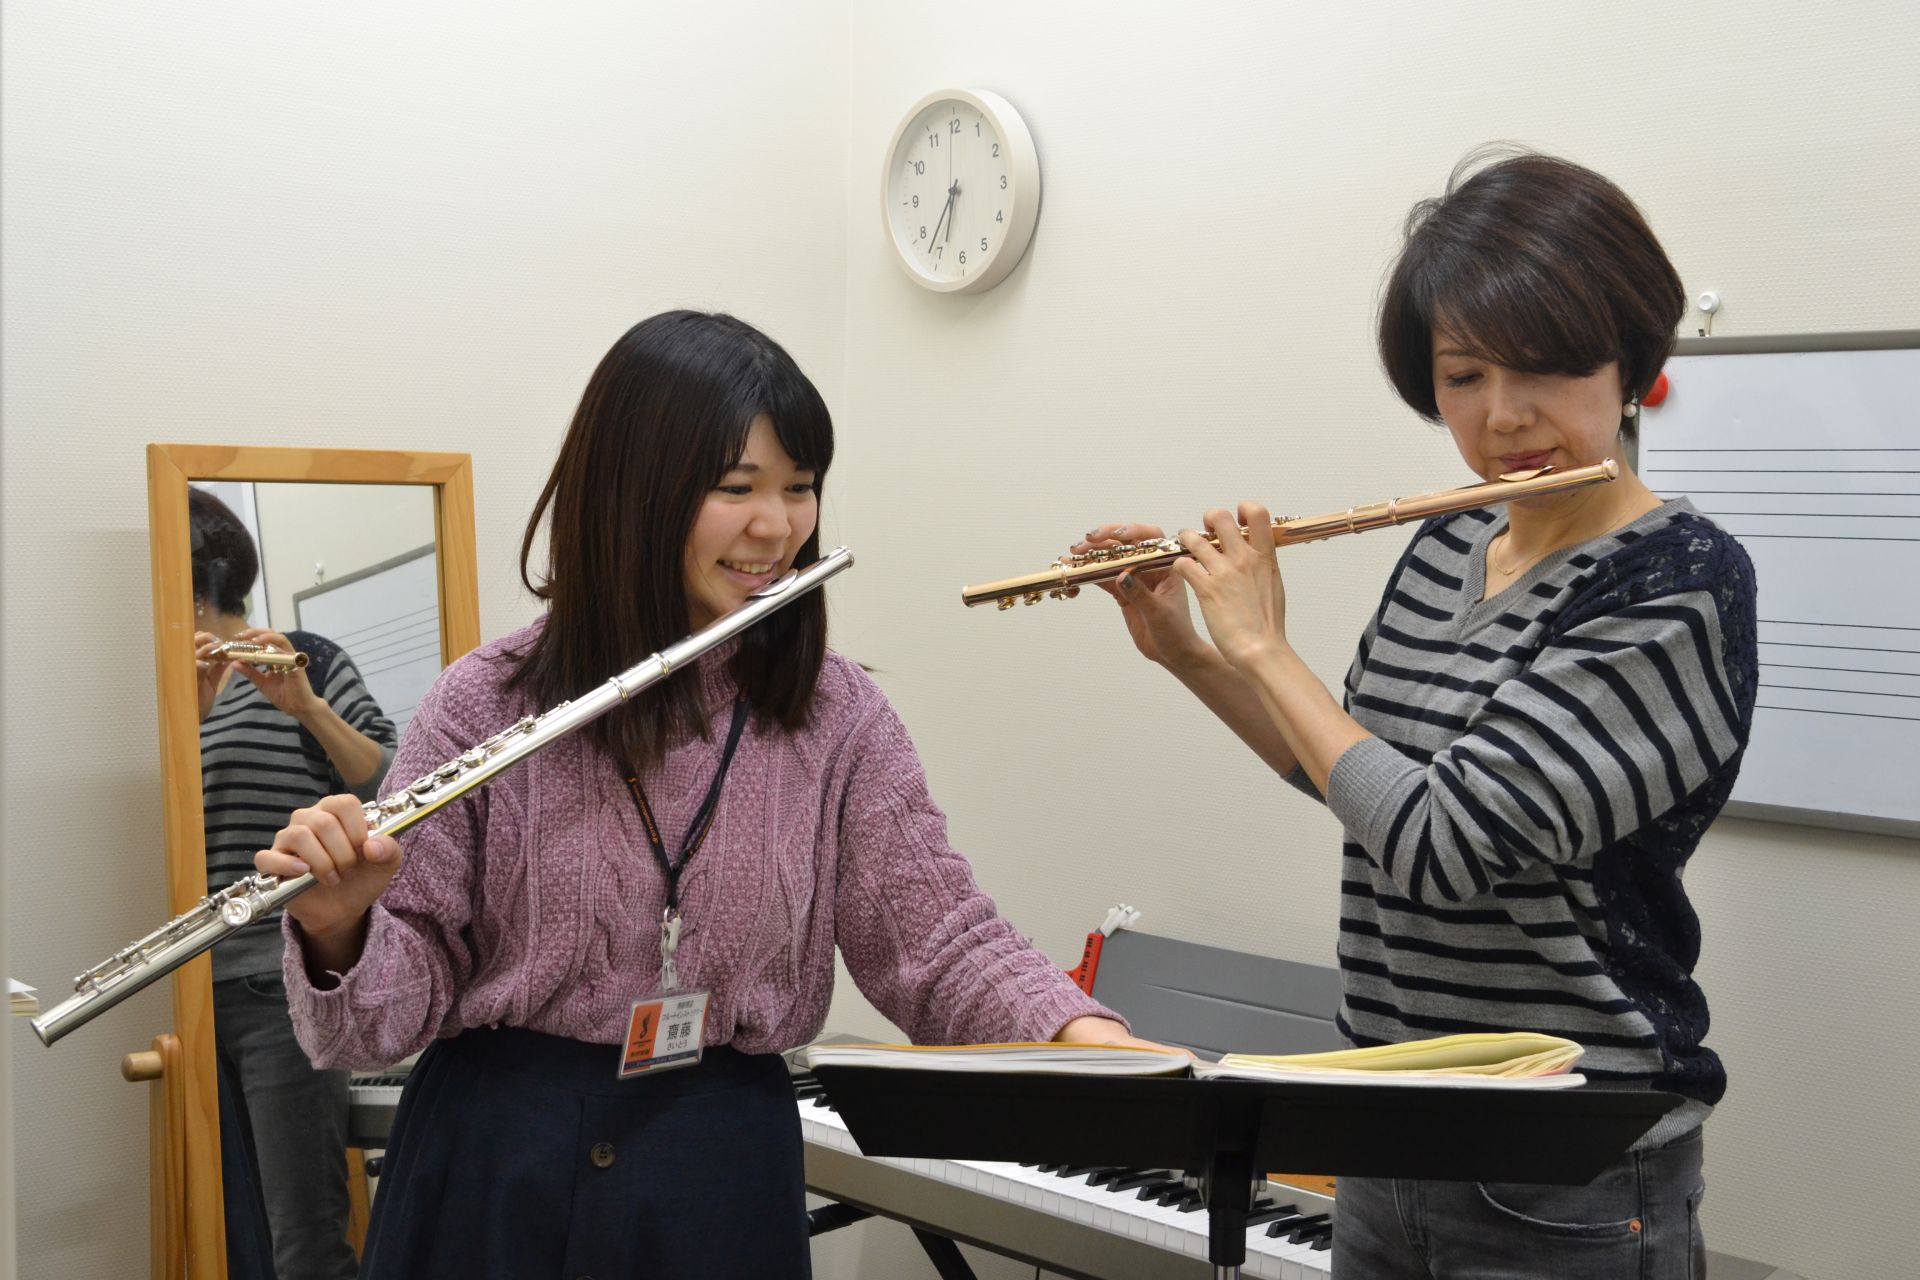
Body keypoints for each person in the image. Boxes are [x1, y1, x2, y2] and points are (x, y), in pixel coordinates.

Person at [256, 310, 1142, 1279]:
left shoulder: (840, 715)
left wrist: (1083, 1037)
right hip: (497, 1168)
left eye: (800, 487)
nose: (779, 526)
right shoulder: (484, 703)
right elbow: (377, 1021)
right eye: (737, 487)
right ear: (634, 491)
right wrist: (342, 929)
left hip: (721, 1169)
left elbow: (937, 935)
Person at [1075, 149, 1757, 1279]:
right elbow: (1354, 776)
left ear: (1630, 358)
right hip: (1383, 1129)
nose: (1505, 418)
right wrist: (1193, 654)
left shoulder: (1678, 582)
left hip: (1564, 1161)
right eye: (1464, 377)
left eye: (1548, 366)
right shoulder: (1450, 542)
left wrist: (1264, 642)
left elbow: (1444, 845)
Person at [191, 486, 398, 1280]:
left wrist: (306, 705)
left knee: (305, 1243)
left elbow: (394, 784)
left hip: (277, 994)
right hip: (188, 997)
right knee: (227, 1241)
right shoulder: (161, 692)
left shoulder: (303, 654)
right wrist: (186, 714)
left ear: (197, 583)